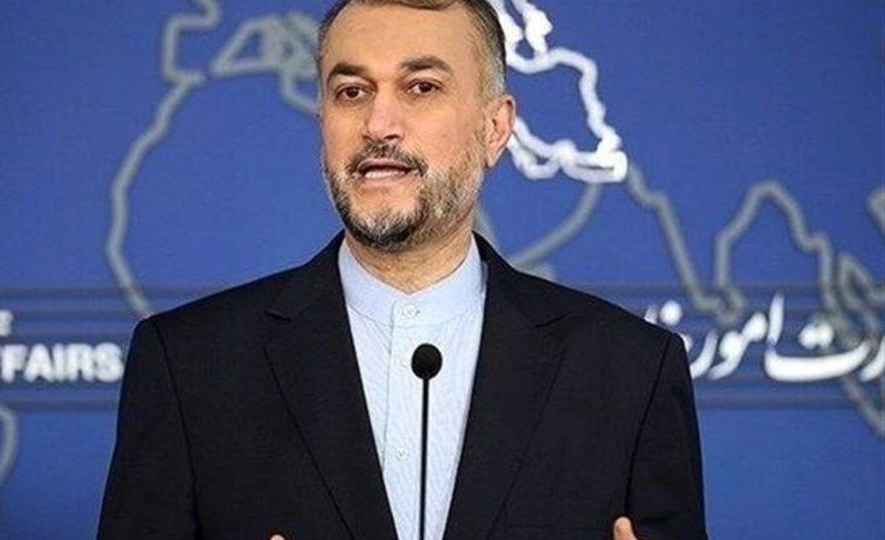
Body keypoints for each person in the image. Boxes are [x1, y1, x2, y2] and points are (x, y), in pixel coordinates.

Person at [97, 1, 707, 539]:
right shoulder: (188, 366)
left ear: (495, 128)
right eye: (351, 91)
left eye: (421, 87)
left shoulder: (630, 373)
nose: (378, 125)